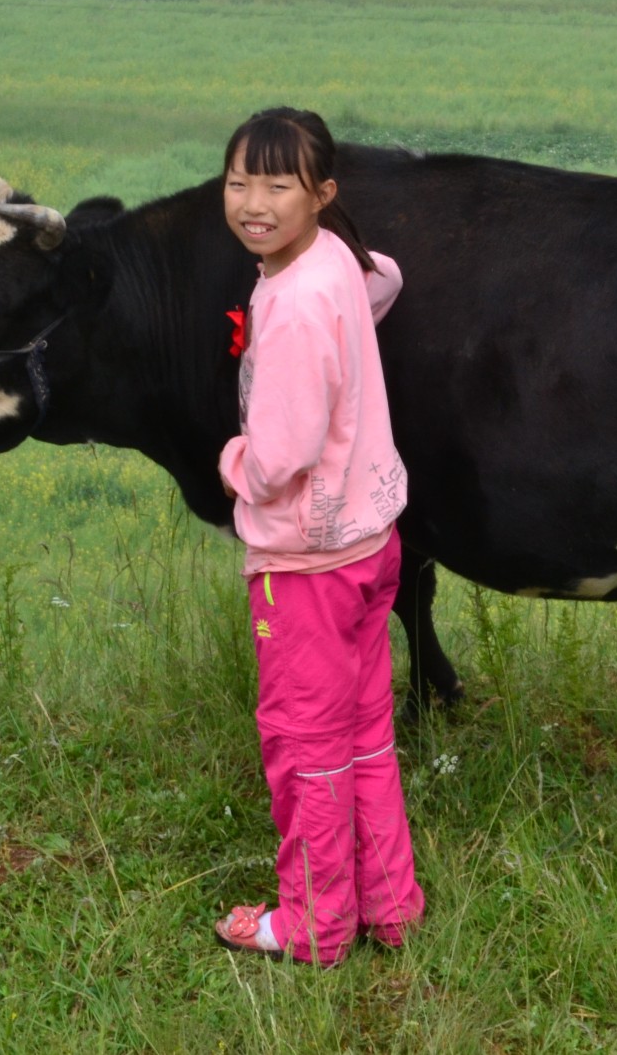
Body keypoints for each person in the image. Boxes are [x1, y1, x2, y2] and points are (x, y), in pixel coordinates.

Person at [212, 107, 423, 965]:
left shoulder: (294, 304)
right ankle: (390, 903)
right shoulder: (336, 259)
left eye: (275, 184)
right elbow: (391, 280)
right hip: (372, 547)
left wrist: (234, 460)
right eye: (237, 182)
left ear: (322, 193)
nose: (252, 202)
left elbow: (279, 458)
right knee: (365, 731)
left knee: (306, 748)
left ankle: (314, 922)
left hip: (305, 569)